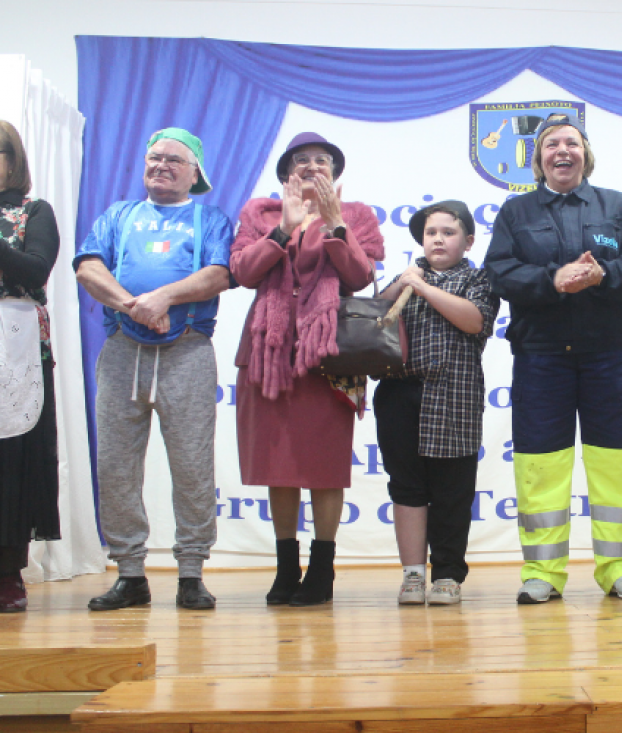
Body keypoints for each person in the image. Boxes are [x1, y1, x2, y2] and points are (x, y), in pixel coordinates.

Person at [484, 113, 622, 604]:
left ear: (585, 155)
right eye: (551, 144)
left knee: (615, 462)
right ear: (539, 160)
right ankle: (542, 573)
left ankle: (620, 568)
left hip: (609, 355)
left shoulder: (615, 206)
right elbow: (498, 272)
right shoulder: (516, 212)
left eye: (572, 143)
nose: (562, 151)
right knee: (541, 466)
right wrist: (552, 280)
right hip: (541, 358)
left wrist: (604, 275)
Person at [75, 128, 233, 610]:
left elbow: (219, 274)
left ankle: (191, 574)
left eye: (174, 160)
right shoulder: (118, 215)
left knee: (192, 464)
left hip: (187, 350)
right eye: (154, 157)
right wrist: (134, 306)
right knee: (116, 464)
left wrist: (163, 297)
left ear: (195, 172)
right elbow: (88, 268)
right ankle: (129, 574)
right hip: (123, 349)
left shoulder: (209, 218)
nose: (161, 165)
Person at [231, 133, 383, 606]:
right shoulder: (260, 213)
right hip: (269, 354)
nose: (313, 166)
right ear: (286, 174)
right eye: (302, 160)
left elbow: (360, 276)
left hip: (329, 355)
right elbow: (244, 272)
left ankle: (322, 570)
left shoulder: (356, 215)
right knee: (278, 466)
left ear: (335, 173)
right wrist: (283, 230)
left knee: (325, 466)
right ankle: (285, 568)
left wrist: (335, 224)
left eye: (322, 160)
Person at [374, 201, 499, 606]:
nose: (438, 240)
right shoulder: (405, 277)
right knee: (406, 486)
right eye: (431, 233)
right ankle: (412, 575)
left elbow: (475, 320)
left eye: (448, 232)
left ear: (468, 241)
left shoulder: (478, 279)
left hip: (454, 394)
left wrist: (425, 288)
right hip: (399, 393)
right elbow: (374, 317)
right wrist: (403, 283)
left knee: (452, 490)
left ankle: (447, 574)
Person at [0, 121, 61, 613]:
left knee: (12, 458)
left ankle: (7, 571)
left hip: (14, 347)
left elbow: (35, 269)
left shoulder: (33, 211)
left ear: (11, 159)